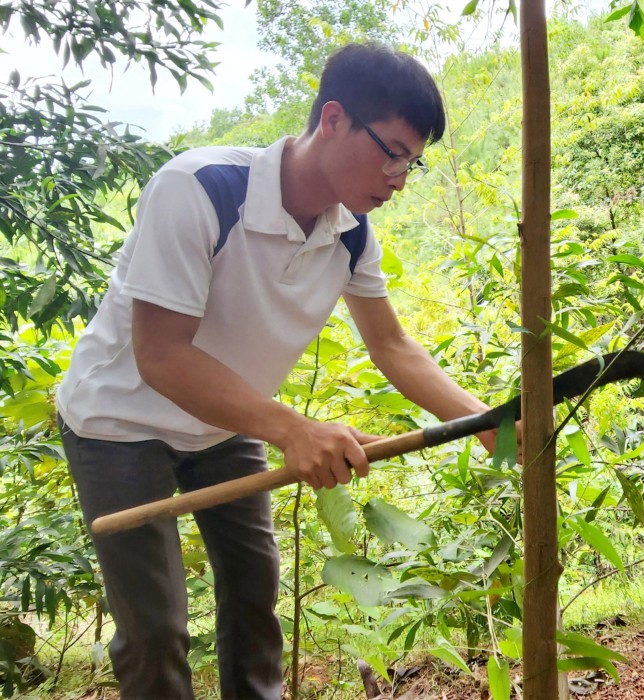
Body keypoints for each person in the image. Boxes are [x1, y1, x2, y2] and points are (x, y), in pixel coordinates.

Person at [56, 42, 497, 699]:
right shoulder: (199, 189)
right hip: (120, 423)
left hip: (225, 424)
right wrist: (293, 430)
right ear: (335, 119)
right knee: (156, 632)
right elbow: (162, 355)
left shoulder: (350, 234)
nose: (400, 175)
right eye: (393, 151)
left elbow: (392, 345)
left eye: (413, 160)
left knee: (254, 605)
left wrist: (485, 421)